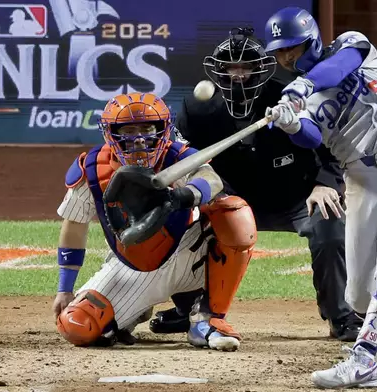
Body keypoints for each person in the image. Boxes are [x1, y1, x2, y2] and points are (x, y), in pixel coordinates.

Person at [147, 27, 363, 342]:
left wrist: (325, 184)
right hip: (229, 202)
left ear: (260, 68)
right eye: (230, 67)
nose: (238, 75)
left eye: (245, 66)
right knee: (180, 223)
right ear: (218, 71)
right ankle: (191, 309)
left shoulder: (290, 98)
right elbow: (182, 158)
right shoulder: (197, 108)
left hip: (296, 198)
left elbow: (331, 151)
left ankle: (339, 316)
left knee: (329, 224)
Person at [263, 7, 377, 388]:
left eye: (292, 48)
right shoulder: (302, 101)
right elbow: (309, 136)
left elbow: (337, 68)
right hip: (360, 180)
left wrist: (301, 87)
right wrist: (292, 123)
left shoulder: (352, 44)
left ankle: (365, 360)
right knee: (356, 295)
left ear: (311, 39)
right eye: (280, 52)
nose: (286, 58)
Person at [51, 92, 258, 352]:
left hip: (187, 256)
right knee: (78, 327)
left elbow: (211, 179)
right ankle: (135, 311)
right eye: (129, 129)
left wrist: (186, 194)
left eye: (148, 128)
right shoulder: (93, 168)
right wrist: (64, 289)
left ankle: (209, 319)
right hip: (132, 267)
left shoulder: (178, 157)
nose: (139, 138)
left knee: (235, 213)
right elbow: (74, 227)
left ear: (163, 130)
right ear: (111, 133)